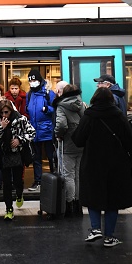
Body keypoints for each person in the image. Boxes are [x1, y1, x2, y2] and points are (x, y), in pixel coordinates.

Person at [72, 87, 132, 247]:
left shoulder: (89, 115)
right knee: (113, 200)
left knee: (93, 196)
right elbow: (130, 141)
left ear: (94, 99)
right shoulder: (118, 115)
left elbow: (78, 140)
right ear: (111, 99)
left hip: (93, 163)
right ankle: (109, 237)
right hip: (117, 164)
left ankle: (95, 229)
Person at [0, 100, 36, 220]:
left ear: (11, 111)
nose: (4, 115)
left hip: (18, 154)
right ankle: (9, 209)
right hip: (4, 155)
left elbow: (32, 132)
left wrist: (19, 140)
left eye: (6, 112)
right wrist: (1, 127)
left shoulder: (21, 119)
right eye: (2, 112)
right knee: (7, 183)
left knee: (17, 181)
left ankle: (19, 194)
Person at [53, 84, 85, 217]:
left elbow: (61, 125)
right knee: (78, 175)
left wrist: (58, 134)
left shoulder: (61, 106)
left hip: (68, 144)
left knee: (68, 175)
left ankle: (69, 204)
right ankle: (78, 204)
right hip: (81, 144)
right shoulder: (82, 104)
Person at [25, 69, 56, 191]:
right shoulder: (29, 94)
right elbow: (28, 109)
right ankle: (37, 181)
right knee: (36, 158)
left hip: (47, 130)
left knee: (50, 156)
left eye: (34, 80)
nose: (32, 82)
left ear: (40, 80)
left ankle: (54, 179)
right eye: (30, 80)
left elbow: (55, 109)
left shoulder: (49, 93)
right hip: (34, 130)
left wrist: (46, 109)